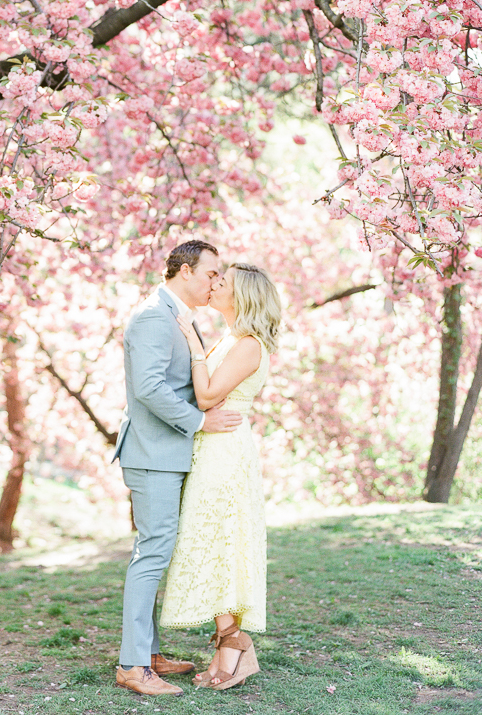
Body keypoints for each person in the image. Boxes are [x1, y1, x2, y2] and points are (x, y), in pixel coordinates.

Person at [112, 240, 245, 698]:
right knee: (151, 556)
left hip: (169, 454)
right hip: (153, 455)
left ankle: (148, 652)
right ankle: (133, 665)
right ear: (185, 270)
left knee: (155, 553)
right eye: (211, 274)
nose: (216, 282)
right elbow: (148, 388)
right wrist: (201, 421)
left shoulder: (178, 317)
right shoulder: (153, 316)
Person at [160, 263, 281, 690]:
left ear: (242, 295)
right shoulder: (230, 339)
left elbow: (209, 394)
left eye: (222, 282)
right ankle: (228, 644)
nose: (214, 285)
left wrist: (193, 342)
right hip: (211, 448)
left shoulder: (249, 344)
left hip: (226, 454)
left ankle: (235, 643)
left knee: (222, 544)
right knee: (213, 542)